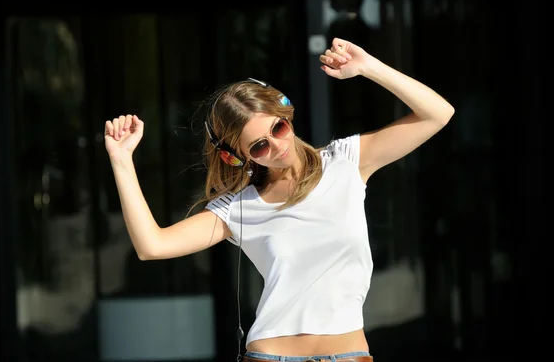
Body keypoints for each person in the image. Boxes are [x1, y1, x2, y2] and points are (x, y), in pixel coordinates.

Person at [104, 37, 455, 362]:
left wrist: (368, 67)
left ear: (286, 113)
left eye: (278, 128)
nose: (277, 146)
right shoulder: (240, 207)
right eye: (259, 146)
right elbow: (152, 245)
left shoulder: (346, 161)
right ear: (237, 157)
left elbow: (438, 114)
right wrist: (122, 162)